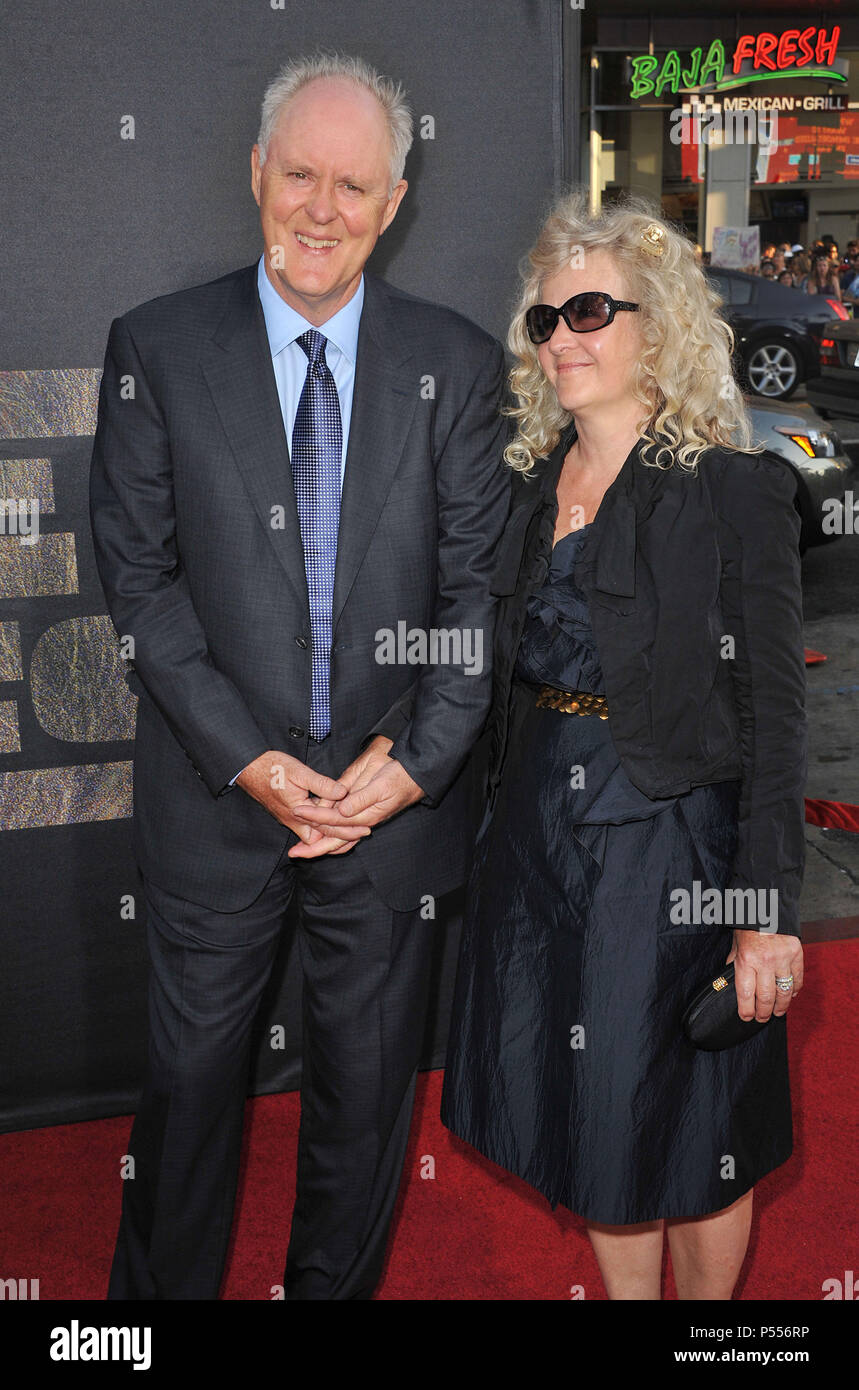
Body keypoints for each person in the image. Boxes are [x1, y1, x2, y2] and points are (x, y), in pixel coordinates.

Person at [90, 51, 509, 1300]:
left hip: (387, 824)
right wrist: (260, 763)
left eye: (354, 185)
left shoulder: (459, 365)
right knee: (187, 1102)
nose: (321, 209)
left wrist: (414, 764)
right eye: (300, 175)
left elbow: (473, 599)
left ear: (392, 203)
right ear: (255, 172)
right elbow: (144, 593)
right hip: (220, 805)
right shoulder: (156, 350)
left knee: (366, 1111)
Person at [441, 193, 806, 1301]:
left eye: (590, 310)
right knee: (585, 1112)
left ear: (662, 324)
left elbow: (778, 720)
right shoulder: (520, 487)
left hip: (668, 848)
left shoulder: (732, 490)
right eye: (543, 321)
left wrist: (762, 915)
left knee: (694, 1120)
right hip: (538, 839)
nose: (562, 339)